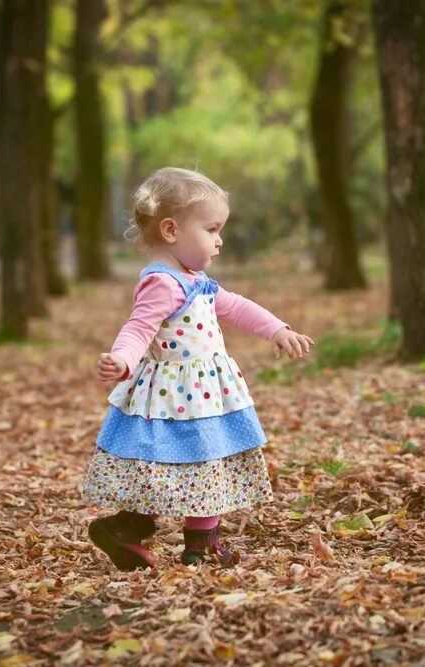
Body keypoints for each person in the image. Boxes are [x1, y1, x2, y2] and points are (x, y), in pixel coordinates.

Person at [81, 167, 313, 570]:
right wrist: (122, 359)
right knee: (178, 464)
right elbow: (139, 327)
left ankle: (177, 538)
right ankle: (141, 531)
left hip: (205, 390)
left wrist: (276, 328)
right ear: (171, 230)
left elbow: (236, 306)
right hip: (177, 394)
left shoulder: (196, 279)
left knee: (206, 463)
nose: (219, 240)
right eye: (211, 229)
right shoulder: (163, 283)